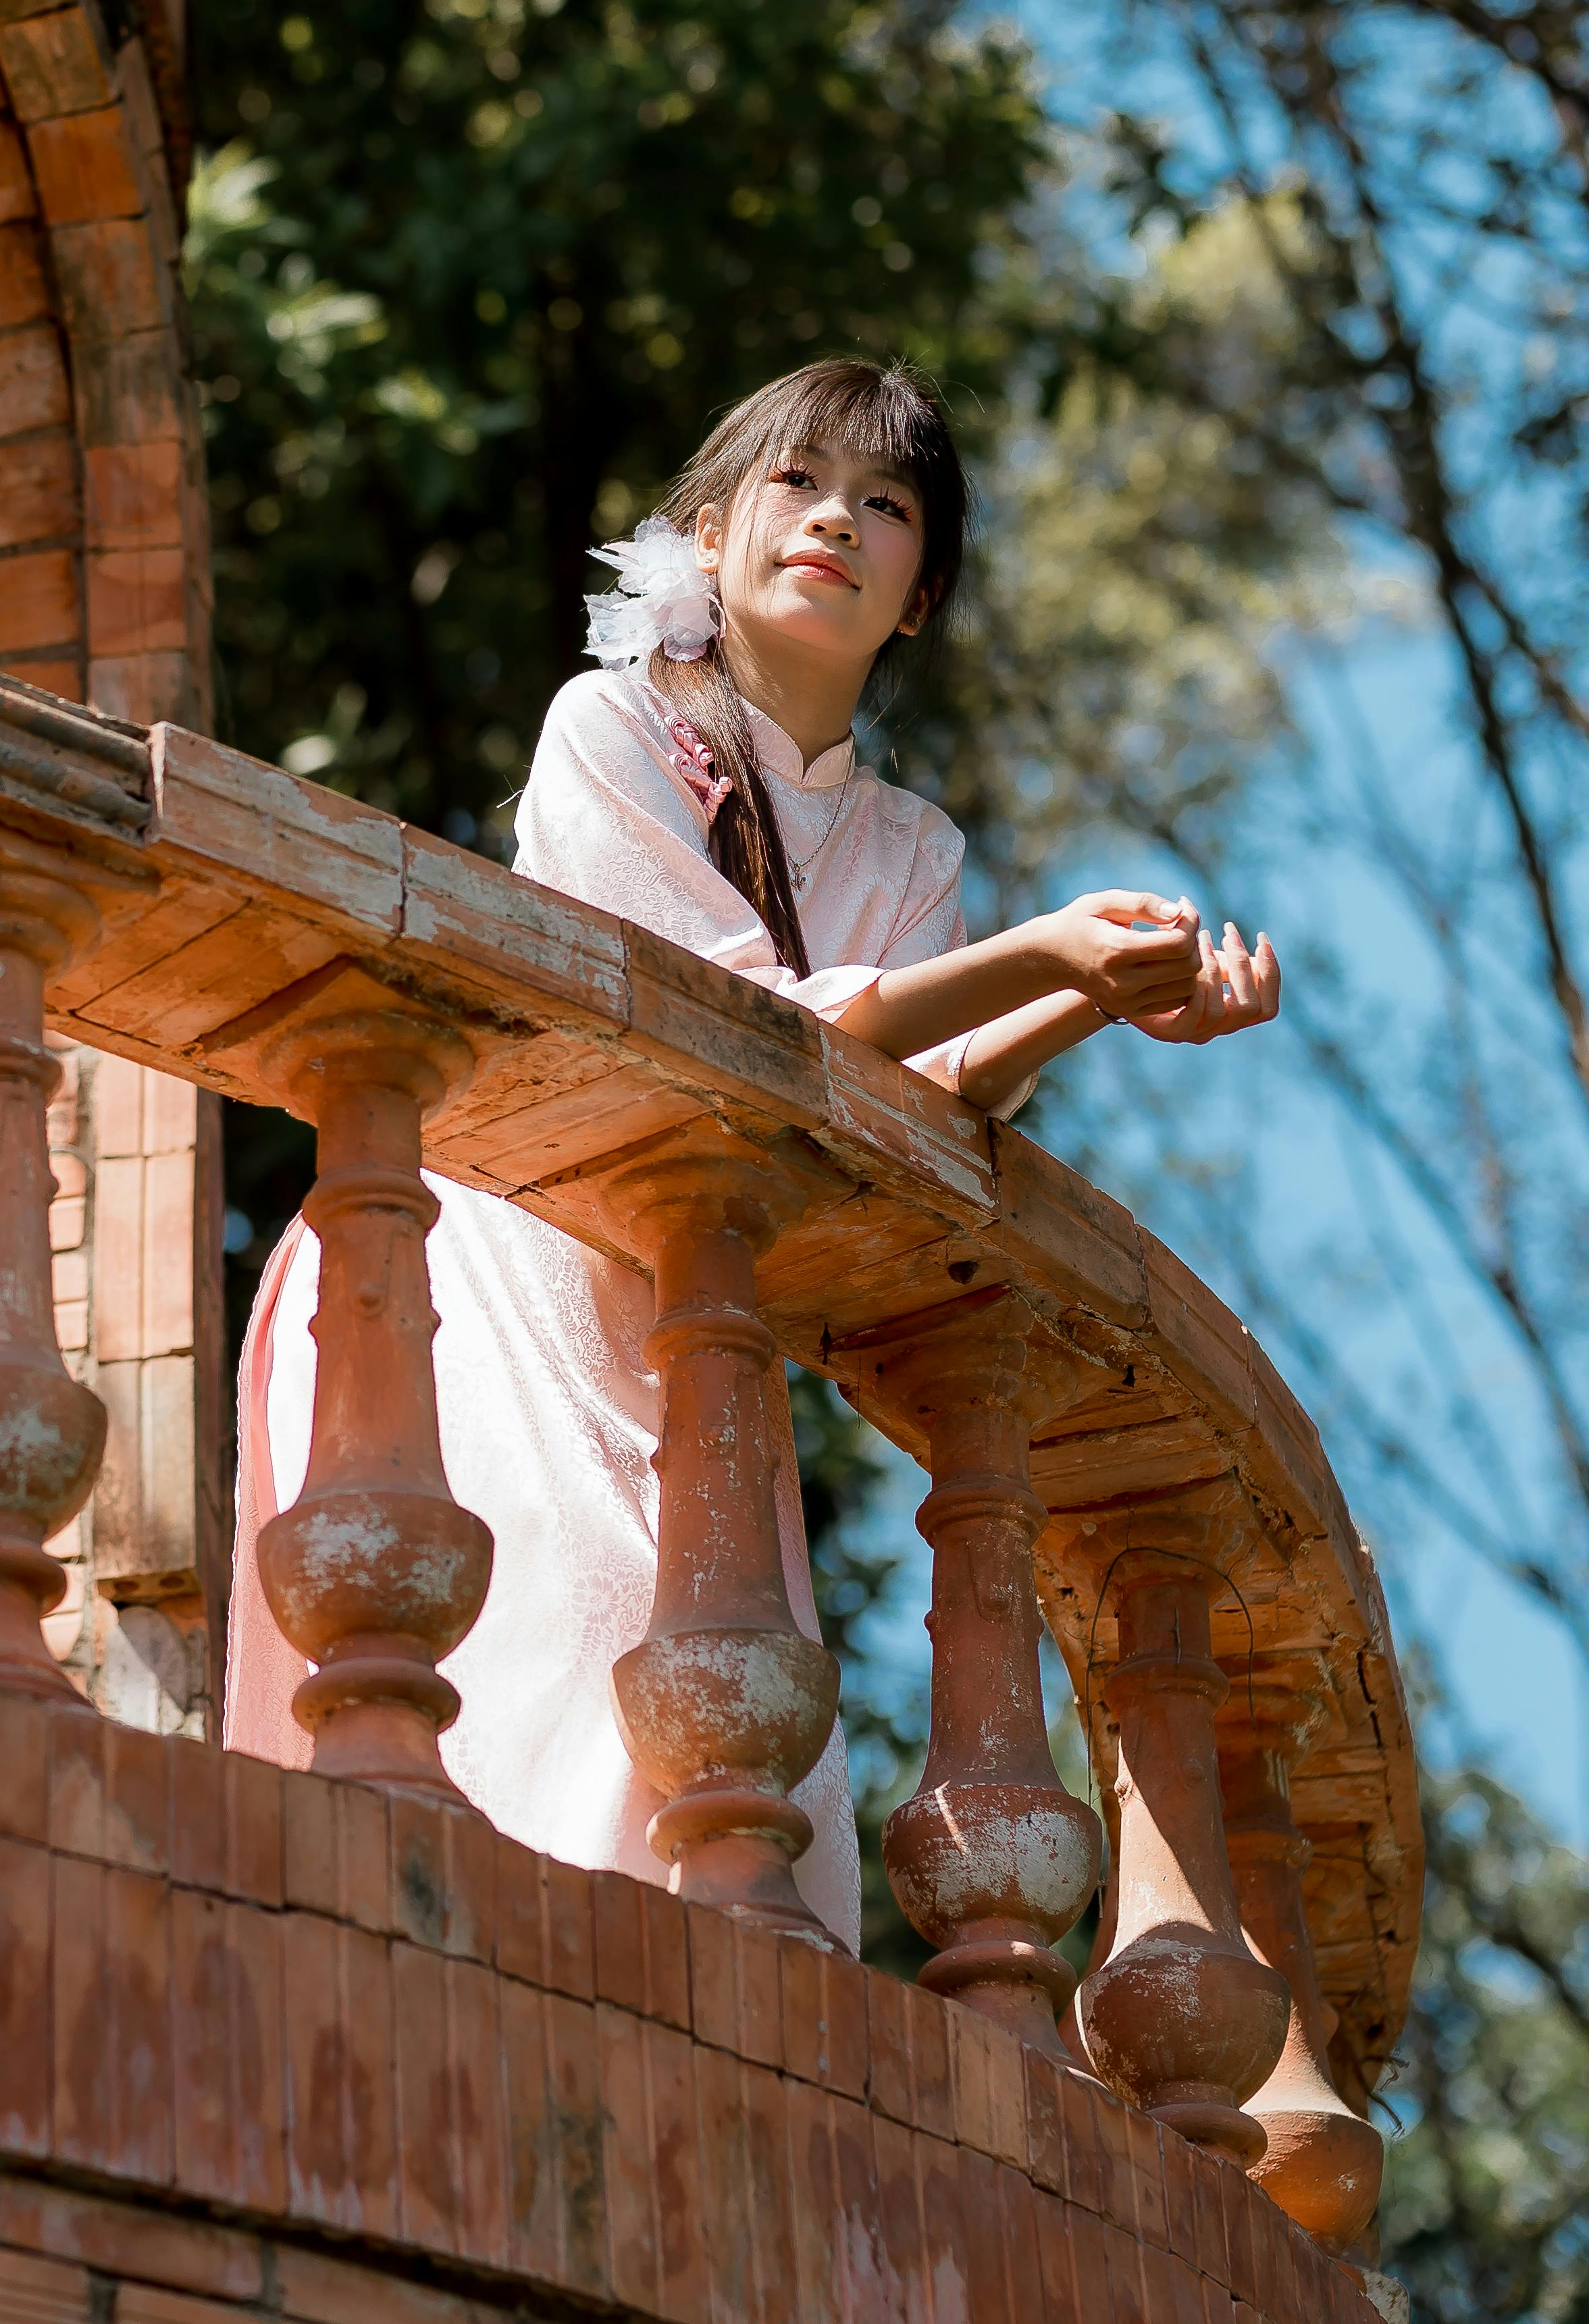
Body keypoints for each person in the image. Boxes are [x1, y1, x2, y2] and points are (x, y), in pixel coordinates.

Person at [223, 359, 1282, 1940]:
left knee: (721, 1745)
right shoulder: (611, 730)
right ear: (706, 533)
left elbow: (920, 1102)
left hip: (688, 1311)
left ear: (920, 596)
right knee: (546, 1667)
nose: (837, 521)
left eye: (889, 503)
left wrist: (1110, 1006)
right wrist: (1051, 960)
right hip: (496, 1282)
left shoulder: (914, 848)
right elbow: (763, 1031)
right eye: (797, 484)